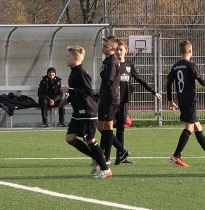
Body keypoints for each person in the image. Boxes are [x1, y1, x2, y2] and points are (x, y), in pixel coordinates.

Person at [167, 40, 205, 167]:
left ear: (180, 51)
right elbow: (201, 81)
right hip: (190, 100)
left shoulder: (176, 66)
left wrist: (170, 100)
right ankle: (176, 155)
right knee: (189, 126)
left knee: (197, 126)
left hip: (181, 100)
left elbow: (168, 84)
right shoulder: (191, 65)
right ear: (190, 51)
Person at [62, 46, 112, 178]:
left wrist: (70, 90)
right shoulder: (74, 72)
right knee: (70, 138)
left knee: (90, 140)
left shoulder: (81, 72)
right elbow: (78, 91)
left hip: (87, 111)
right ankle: (96, 157)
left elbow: (88, 91)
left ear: (76, 57)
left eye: (68, 56)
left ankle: (105, 169)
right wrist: (67, 100)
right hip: (78, 112)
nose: (66, 58)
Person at [111, 39, 161, 165]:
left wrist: (153, 92)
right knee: (107, 128)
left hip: (123, 101)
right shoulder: (112, 64)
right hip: (112, 101)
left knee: (121, 128)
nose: (118, 52)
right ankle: (103, 156)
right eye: (116, 50)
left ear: (126, 51)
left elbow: (140, 79)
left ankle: (120, 156)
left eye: (121, 49)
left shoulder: (129, 65)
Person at [95, 36, 130, 170]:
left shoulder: (113, 62)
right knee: (101, 127)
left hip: (111, 98)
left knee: (108, 126)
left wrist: (101, 73)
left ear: (112, 48)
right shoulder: (107, 60)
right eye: (103, 45)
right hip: (105, 98)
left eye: (105, 46)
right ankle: (121, 150)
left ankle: (107, 157)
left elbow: (108, 81)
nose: (103, 48)